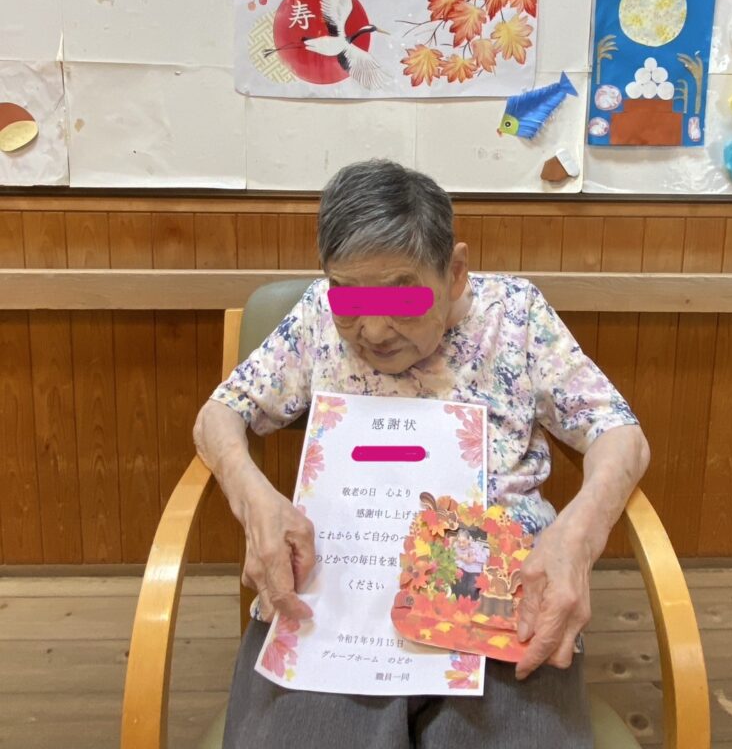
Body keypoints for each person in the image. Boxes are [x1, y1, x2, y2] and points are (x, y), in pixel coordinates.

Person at [193, 159, 650, 749]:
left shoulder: (515, 315)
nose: (373, 330)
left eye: (402, 297)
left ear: (454, 272)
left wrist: (576, 537)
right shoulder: (317, 315)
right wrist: (254, 500)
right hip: (336, 597)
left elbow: (619, 434)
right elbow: (219, 415)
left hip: (496, 598)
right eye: (349, 297)